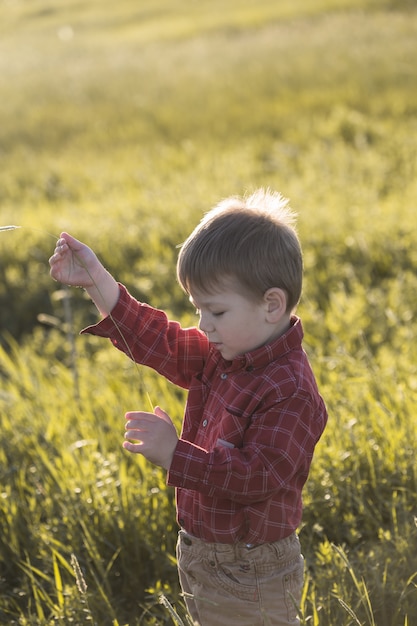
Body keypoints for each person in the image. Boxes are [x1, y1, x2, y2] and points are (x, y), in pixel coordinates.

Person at [49, 188, 327, 626]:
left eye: (215, 311)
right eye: (199, 309)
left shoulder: (290, 390)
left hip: (250, 569)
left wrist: (174, 453)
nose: (203, 324)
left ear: (272, 305)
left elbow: (257, 477)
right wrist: (97, 281)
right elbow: (159, 339)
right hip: (203, 555)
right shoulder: (226, 350)